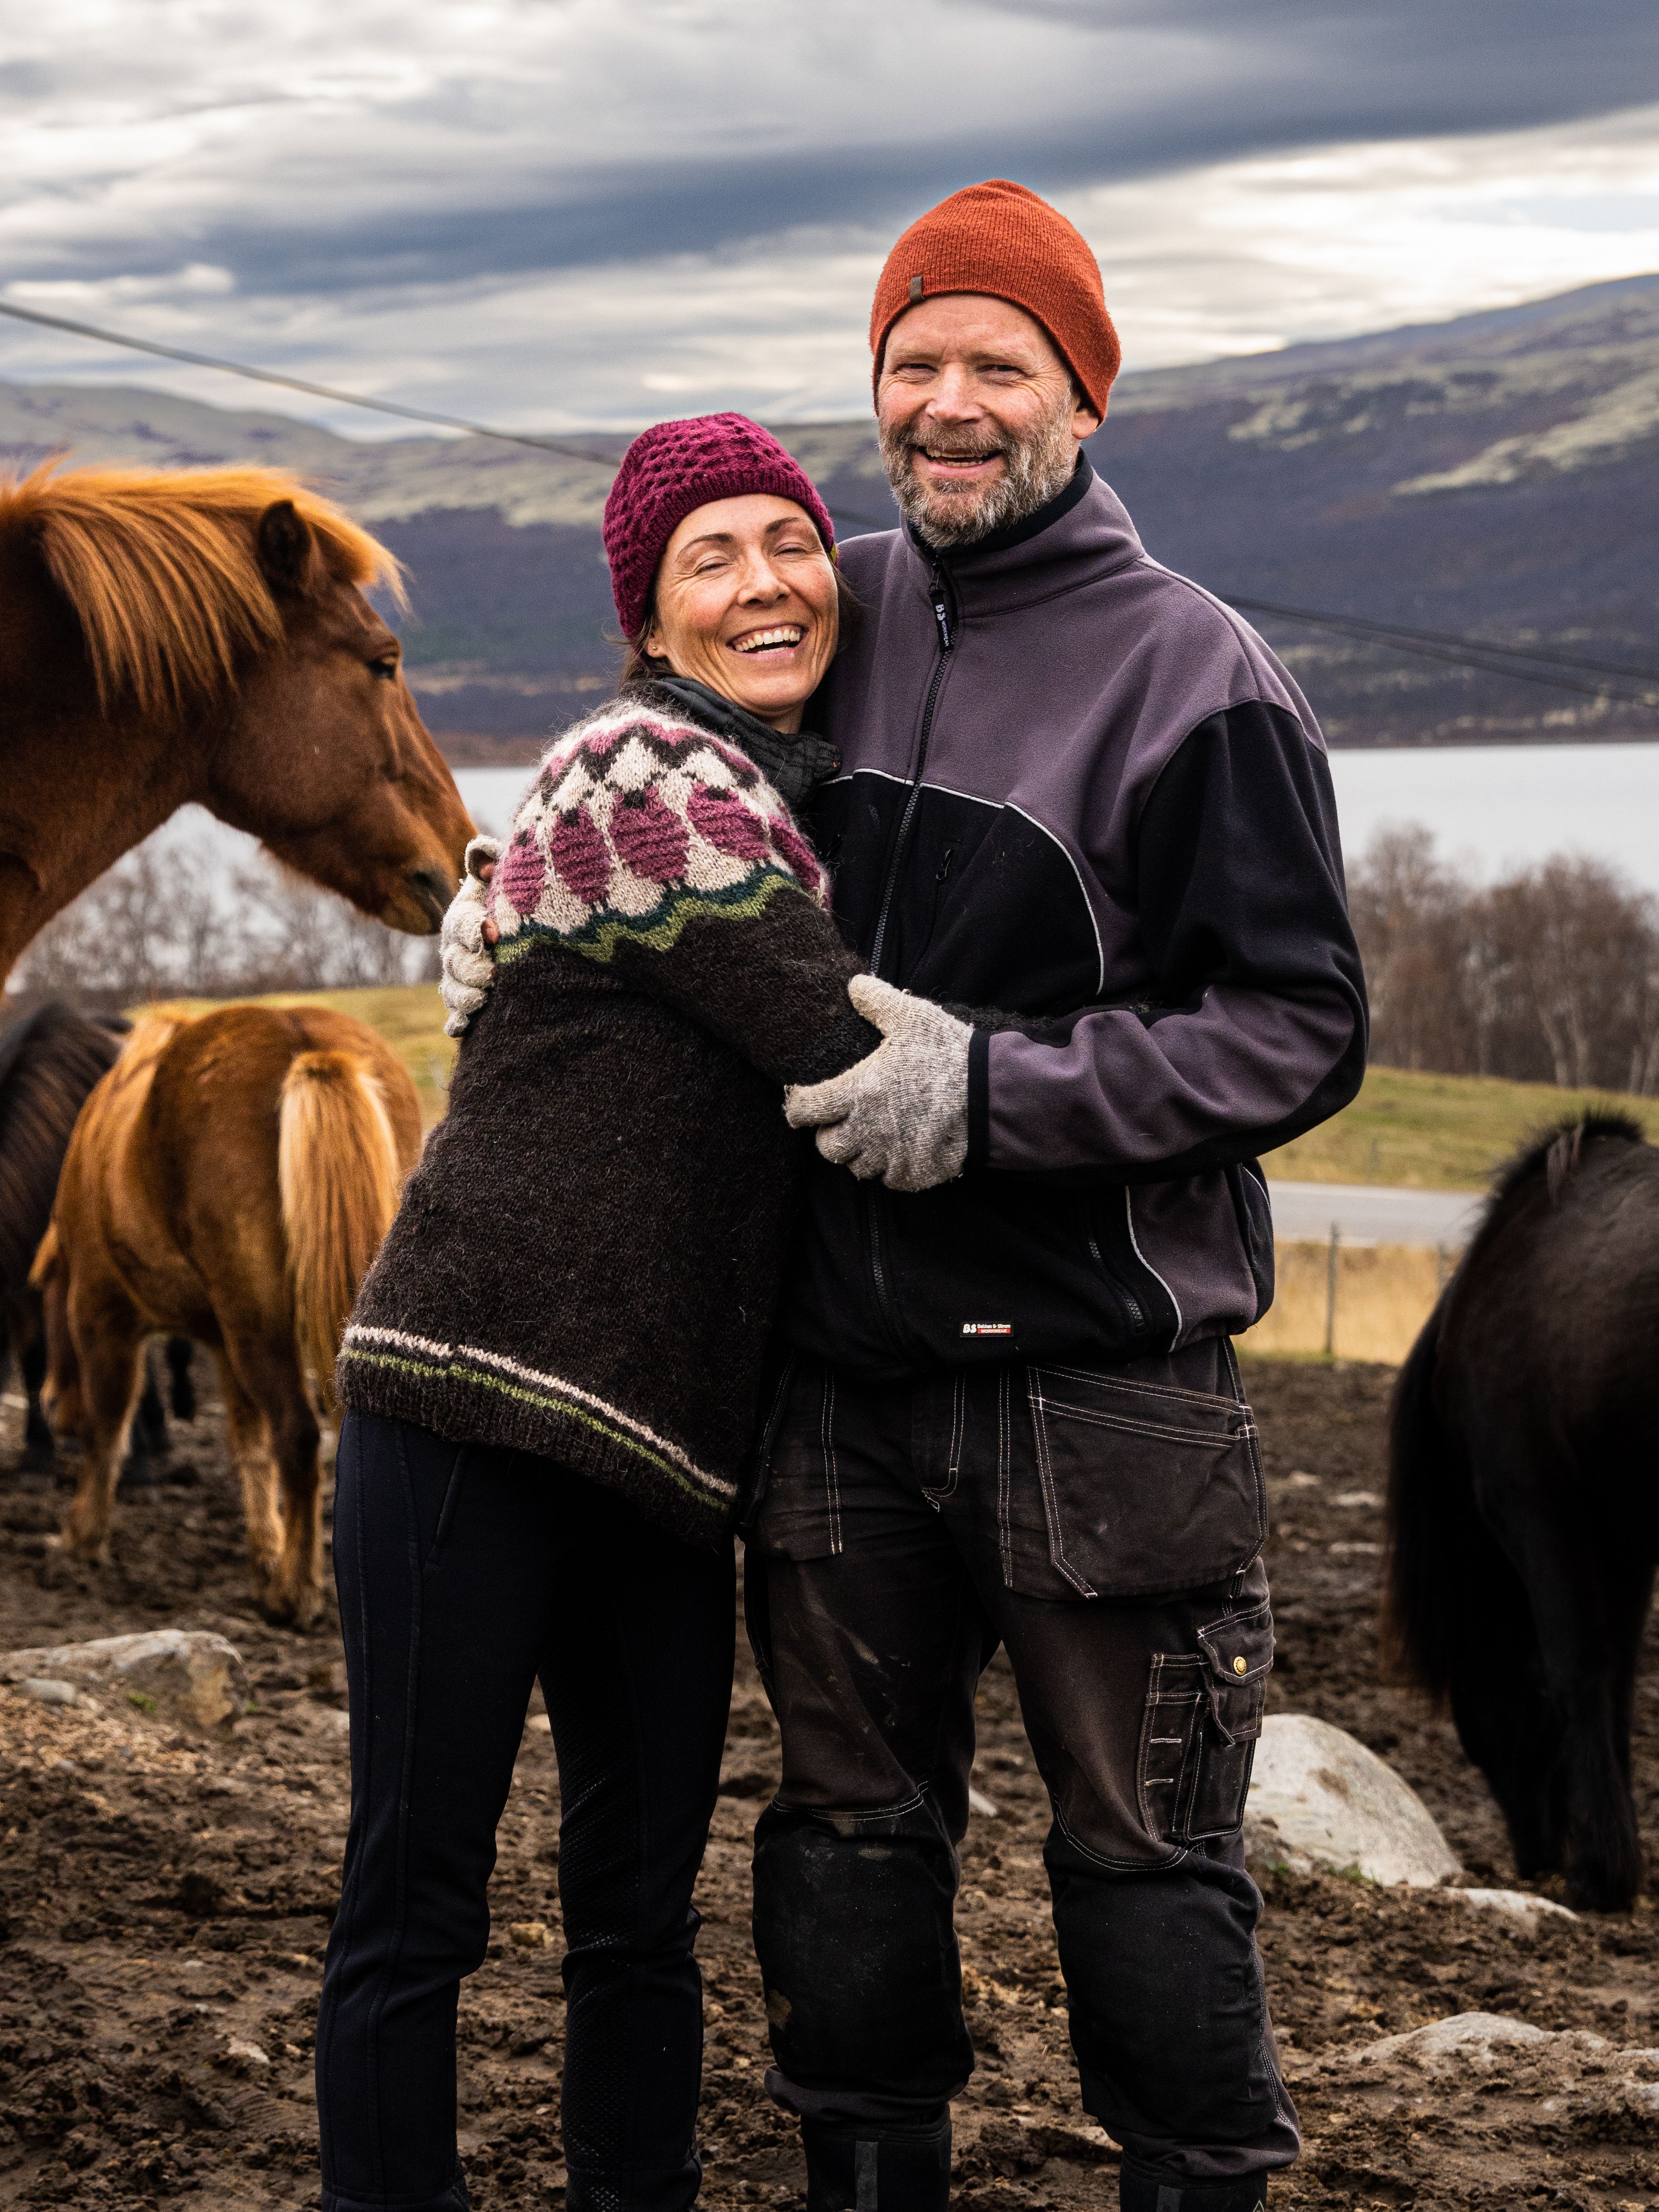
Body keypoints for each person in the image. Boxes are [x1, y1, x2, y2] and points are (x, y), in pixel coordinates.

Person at [447, 184, 1366, 2212]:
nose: (949, 406)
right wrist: (518, 898)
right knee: (843, 1849)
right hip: (838, 1382)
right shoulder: (829, 605)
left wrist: (999, 1096)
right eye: (911, 367)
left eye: (995, 368)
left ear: (1081, 397)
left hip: (1099, 1389)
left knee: (1141, 1862)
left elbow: (1297, 1028)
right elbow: (652, 752)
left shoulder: (1190, 672)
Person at [314, 413, 881, 2212]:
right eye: (708, 559)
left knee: (641, 1917)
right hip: (463, 1413)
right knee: (419, 1899)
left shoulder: (807, 798)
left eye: (790, 545)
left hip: (659, 1458)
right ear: (650, 617)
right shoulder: (640, 774)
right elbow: (835, 1037)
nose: (762, 585)